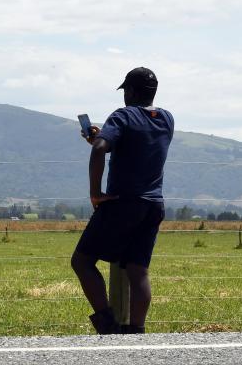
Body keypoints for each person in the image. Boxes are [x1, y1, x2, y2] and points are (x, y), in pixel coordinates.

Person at [71, 66, 174, 335]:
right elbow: (136, 143)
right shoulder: (166, 120)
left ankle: (107, 325)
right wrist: (100, 138)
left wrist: (95, 193)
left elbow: (100, 150)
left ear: (129, 91)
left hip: (123, 202)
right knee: (138, 270)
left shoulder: (122, 116)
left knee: (82, 262)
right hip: (153, 205)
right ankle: (135, 333)